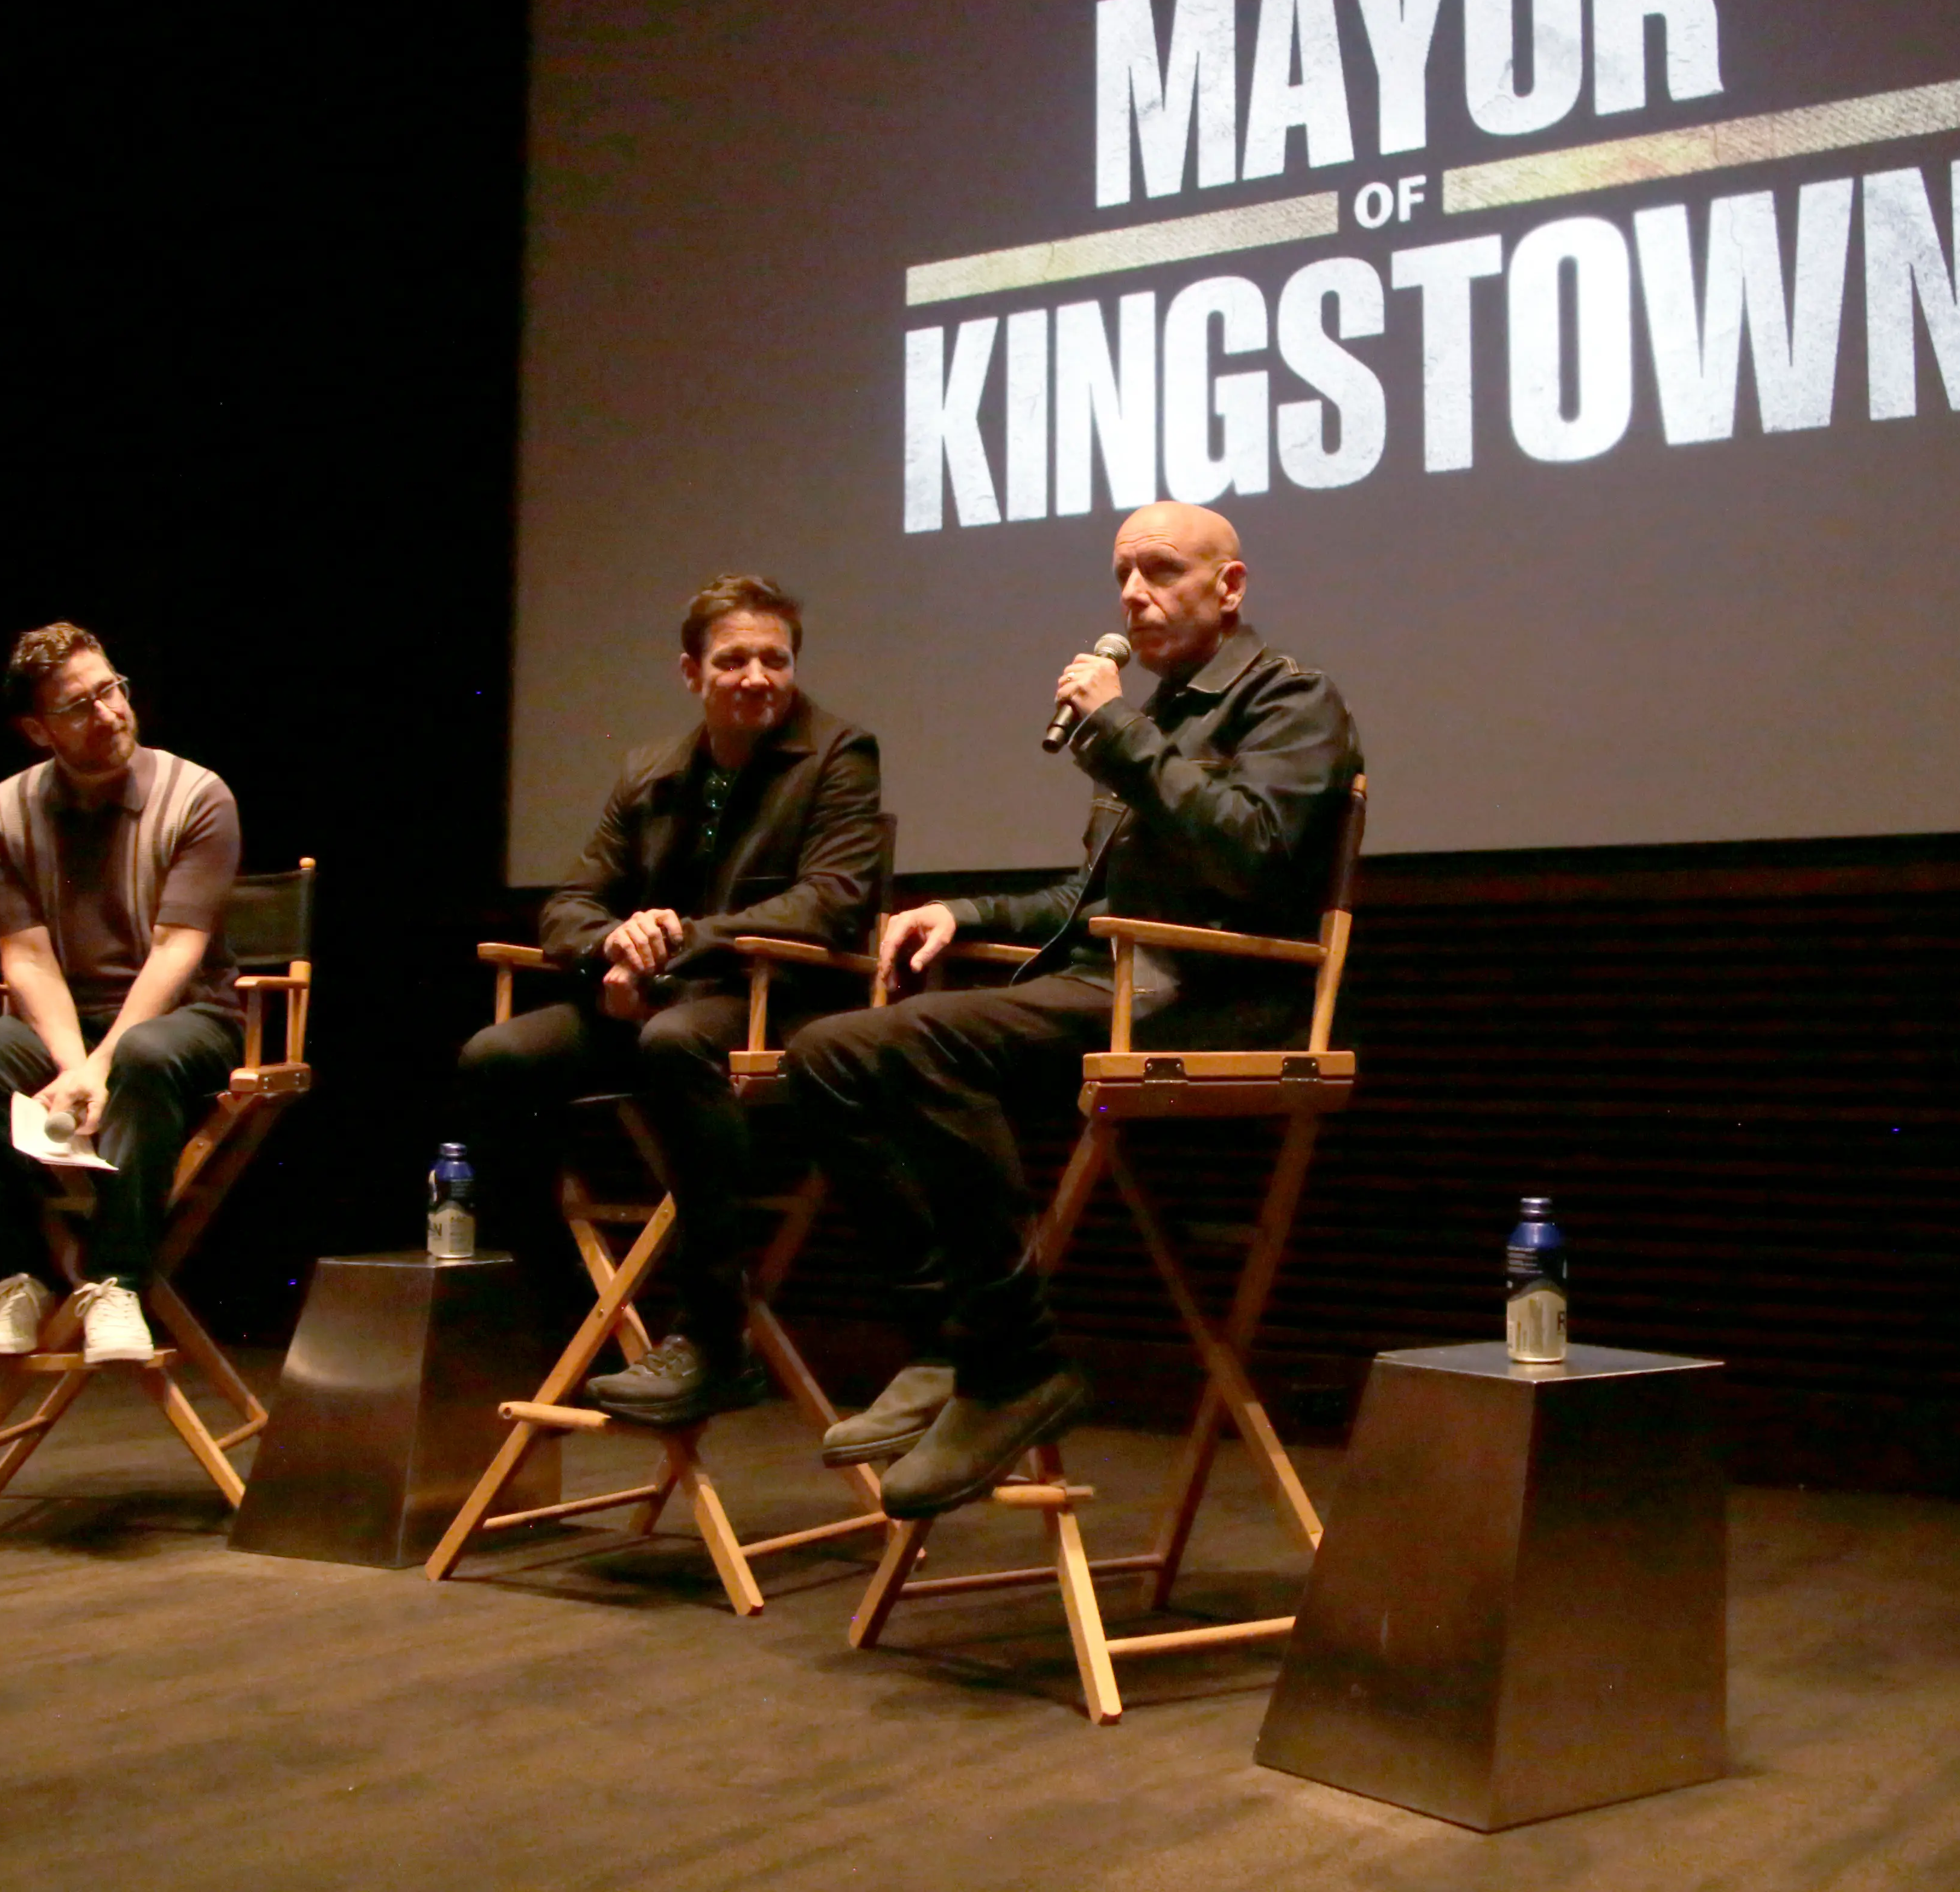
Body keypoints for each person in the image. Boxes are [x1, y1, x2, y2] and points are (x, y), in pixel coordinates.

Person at [785, 502, 1361, 1519]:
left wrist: (1121, 728)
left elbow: (1258, 856)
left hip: (1216, 1002)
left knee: (914, 1047)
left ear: (1228, 588)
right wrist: (958, 911)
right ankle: (965, 1339)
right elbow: (1088, 903)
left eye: (1160, 570)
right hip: (1123, 982)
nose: (1133, 595)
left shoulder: (1291, 700)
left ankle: (1013, 1361)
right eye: (1121, 575)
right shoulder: (1162, 718)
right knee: (830, 1049)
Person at [455, 574, 881, 1424]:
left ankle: (716, 1338)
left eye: (776, 659)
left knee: (675, 1042)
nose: (758, 677)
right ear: (693, 673)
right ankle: (558, 1301)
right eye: (735, 661)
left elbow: (834, 899)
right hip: (647, 1002)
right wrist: (612, 944)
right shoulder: (649, 771)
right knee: (493, 1058)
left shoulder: (840, 752)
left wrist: (673, 944)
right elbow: (568, 906)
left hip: (776, 1002)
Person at [0, 623, 246, 1368]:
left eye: (113, 690)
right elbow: (26, 956)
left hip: (185, 1016)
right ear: (39, 730)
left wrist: (98, 1068)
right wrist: (77, 1064)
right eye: (80, 706)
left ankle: (116, 1282)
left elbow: (178, 950)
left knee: (142, 1053)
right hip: (65, 1024)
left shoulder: (198, 795)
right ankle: (19, 1281)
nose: (109, 714)